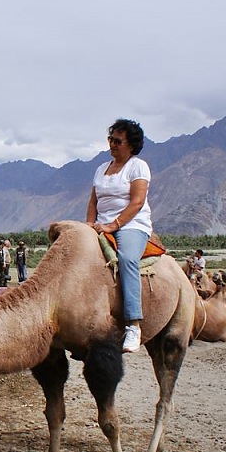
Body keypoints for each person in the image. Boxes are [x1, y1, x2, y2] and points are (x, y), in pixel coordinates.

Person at [86, 119, 152, 354]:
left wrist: (114, 225)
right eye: (110, 139)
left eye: (117, 141)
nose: (112, 144)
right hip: (102, 225)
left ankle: (133, 324)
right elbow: (94, 201)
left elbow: (137, 202)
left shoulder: (138, 167)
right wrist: (90, 225)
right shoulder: (101, 168)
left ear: (131, 145)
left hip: (131, 225)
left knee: (127, 260)